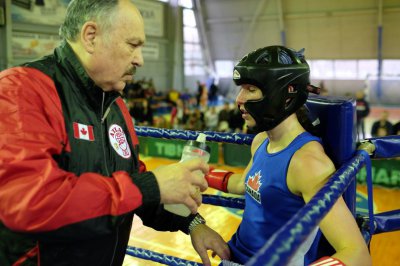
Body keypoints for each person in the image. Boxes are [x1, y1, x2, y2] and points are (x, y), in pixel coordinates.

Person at [0, 1, 229, 265]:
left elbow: (132, 181)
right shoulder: (21, 91)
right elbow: (31, 203)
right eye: (133, 45)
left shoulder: (115, 104)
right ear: (91, 36)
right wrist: (151, 186)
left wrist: (192, 223)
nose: (140, 60)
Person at [204, 46, 371, 265]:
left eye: (250, 89)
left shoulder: (307, 163)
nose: (239, 99)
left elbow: (356, 253)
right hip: (233, 255)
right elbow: (244, 184)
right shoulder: (261, 140)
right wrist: (202, 174)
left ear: (283, 94)